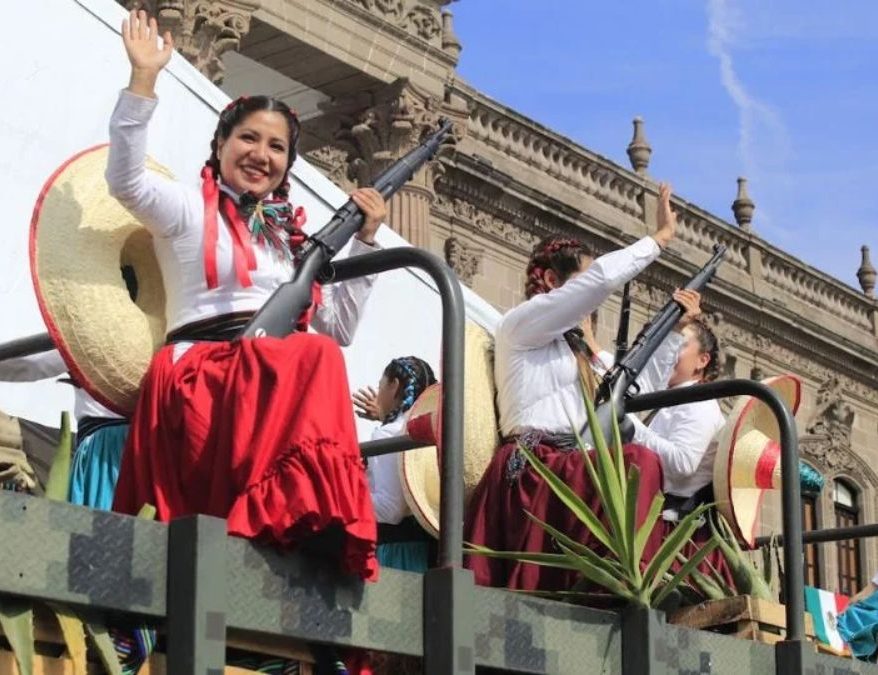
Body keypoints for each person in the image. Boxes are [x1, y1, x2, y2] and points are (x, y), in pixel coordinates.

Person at [108, 10, 387, 581]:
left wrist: (366, 243)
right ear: (222, 144)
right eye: (249, 138)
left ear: (288, 164)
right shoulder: (189, 207)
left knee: (317, 350)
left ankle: (297, 522)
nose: (262, 154)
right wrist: (143, 81)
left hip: (269, 379)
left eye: (278, 147)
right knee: (313, 356)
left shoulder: (292, 239)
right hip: (204, 374)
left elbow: (337, 327)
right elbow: (127, 182)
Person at [464, 183, 679, 592]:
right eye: (578, 287)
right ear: (549, 279)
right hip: (535, 468)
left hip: (570, 466)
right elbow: (598, 282)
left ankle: (628, 589)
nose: (589, 303)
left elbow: (630, 393)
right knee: (637, 463)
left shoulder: (577, 349)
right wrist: (658, 241)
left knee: (639, 461)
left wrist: (674, 329)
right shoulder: (522, 323)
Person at [0, 349, 128, 509]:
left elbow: (32, 365)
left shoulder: (89, 346)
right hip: (141, 443)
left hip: (104, 450)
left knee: (101, 520)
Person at [353, 356, 437, 572]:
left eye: (382, 386)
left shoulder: (388, 434)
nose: (378, 395)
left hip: (396, 554)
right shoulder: (426, 431)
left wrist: (344, 495)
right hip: (425, 548)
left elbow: (391, 509)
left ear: (394, 386)